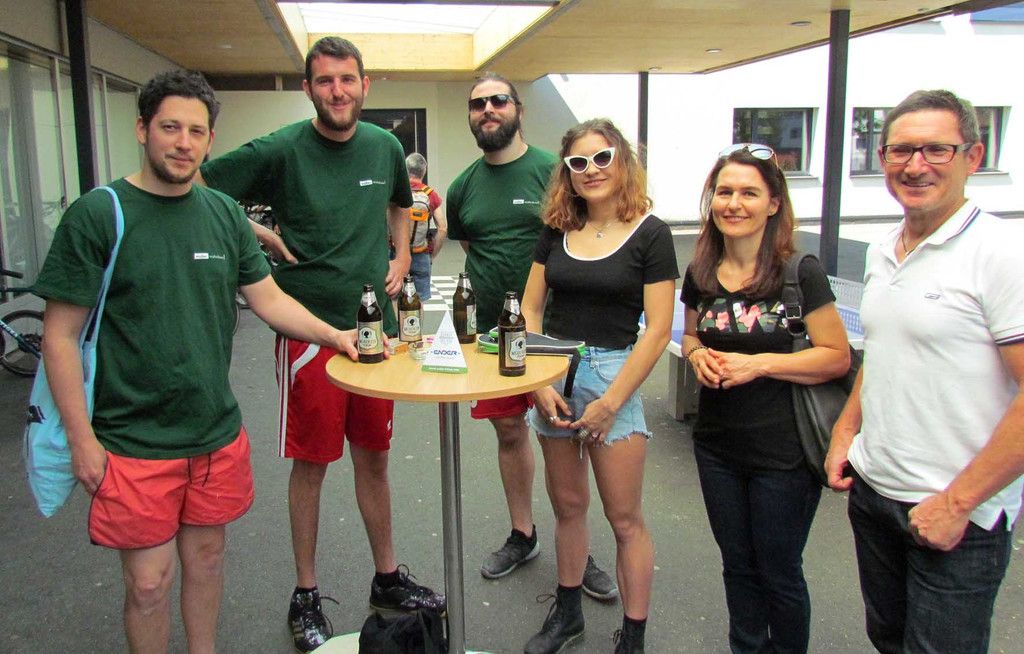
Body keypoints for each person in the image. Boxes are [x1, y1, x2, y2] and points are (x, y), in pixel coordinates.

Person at [35, 70, 366, 654]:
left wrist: (333, 335)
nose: (183, 143)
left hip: (214, 434)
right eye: (170, 127)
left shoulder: (222, 214)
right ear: (142, 129)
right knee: (148, 584)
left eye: (196, 131)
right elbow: (59, 336)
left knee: (208, 560)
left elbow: (269, 300)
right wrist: (82, 440)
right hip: (131, 439)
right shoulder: (99, 214)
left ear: (210, 140)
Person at [198, 37, 444, 652]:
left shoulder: (385, 146)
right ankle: (305, 593)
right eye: (326, 80)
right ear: (308, 88)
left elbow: (400, 203)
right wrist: (261, 235)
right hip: (309, 334)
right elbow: (202, 183)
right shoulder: (281, 148)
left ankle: (387, 578)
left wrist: (399, 254)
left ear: (365, 85)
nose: (338, 90)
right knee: (311, 466)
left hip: (376, 335)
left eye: (348, 79)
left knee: (374, 459)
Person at [825, 89, 1024, 653]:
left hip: (957, 514)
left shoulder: (1003, 253)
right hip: (875, 493)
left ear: (973, 157)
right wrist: (846, 431)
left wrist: (957, 503)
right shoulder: (884, 248)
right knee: (888, 639)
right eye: (901, 150)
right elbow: (884, 351)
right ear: (883, 157)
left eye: (937, 149)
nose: (916, 166)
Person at [446, 73, 616, 599]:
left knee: (569, 438)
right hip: (493, 338)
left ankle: (579, 547)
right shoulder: (462, 187)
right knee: (509, 433)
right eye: (478, 103)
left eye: (499, 100)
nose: (488, 109)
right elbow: (472, 247)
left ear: (517, 109)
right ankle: (524, 534)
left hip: (556, 335)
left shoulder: (553, 172)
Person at [680, 143, 850, 654]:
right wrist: (696, 356)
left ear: (773, 203)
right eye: (724, 192)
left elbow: (837, 356)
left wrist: (760, 364)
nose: (734, 203)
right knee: (737, 566)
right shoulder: (701, 271)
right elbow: (691, 336)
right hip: (717, 448)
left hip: (785, 455)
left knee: (779, 572)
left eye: (749, 193)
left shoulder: (798, 271)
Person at [520, 119, 676, 654]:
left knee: (624, 519)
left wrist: (612, 403)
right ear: (567, 173)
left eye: (603, 157)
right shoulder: (557, 229)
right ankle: (568, 616)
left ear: (623, 161)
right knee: (567, 506)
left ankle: (632, 638)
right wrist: (538, 382)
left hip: (615, 378)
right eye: (578, 162)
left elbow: (658, 330)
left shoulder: (651, 234)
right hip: (554, 374)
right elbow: (530, 310)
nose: (591, 170)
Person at [405, 152, 446, 299]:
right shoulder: (430, 194)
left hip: (397, 254)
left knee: (395, 298)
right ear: (424, 171)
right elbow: (442, 228)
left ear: (405, 169)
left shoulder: (396, 191)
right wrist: (432, 256)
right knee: (419, 299)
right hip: (421, 254)